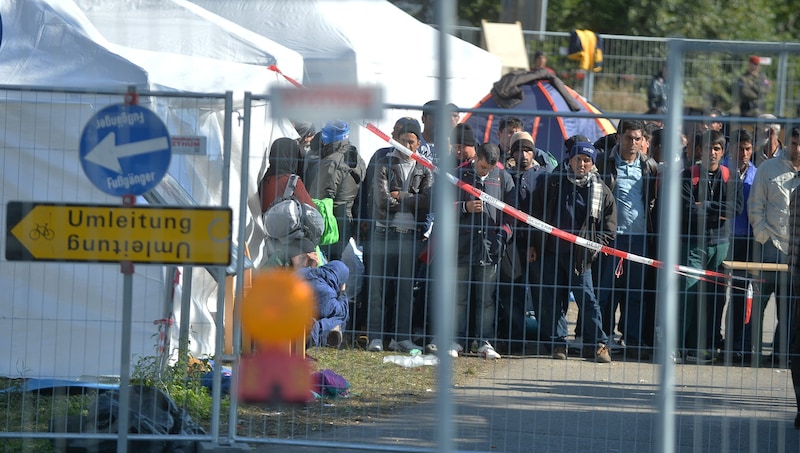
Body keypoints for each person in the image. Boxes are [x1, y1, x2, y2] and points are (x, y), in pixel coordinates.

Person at [529, 141, 616, 363]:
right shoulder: (553, 183)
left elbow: (609, 227)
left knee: (587, 300)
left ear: (593, 164)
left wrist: (595, 246)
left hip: (580, 257)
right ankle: (558, 343)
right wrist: (533, 244)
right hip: (549, 252)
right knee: (552, 300)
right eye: (578, 159)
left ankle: (598, 343)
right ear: (570, 160)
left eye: (587, 160)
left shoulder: (601, 190)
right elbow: (535, 213)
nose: (582, 164)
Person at [365, 120, 433, 353]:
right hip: (384, 233)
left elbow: (428, 200)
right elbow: (382, 200)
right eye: (403, 140)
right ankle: (375, 336)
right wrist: (411, 200)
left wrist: (401, 195)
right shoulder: (384, 163)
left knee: (406, 289)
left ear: (418, 144)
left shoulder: (425, 167)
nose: (406, 145)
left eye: (411, 141)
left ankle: (401, 337)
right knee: (379, 286)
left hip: (411, 236)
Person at [594, 120, 660, 360]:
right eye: (628, 138)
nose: (633, 144)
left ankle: (632, 341)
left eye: (637, 139)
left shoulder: (649, 166)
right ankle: (603, 340)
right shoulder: (603, 163)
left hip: (639, 238)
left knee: (636, 292)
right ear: (618, 137)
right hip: (611, 237)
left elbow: (651, 201)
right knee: (606, 291)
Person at [678, 129, 743, 363]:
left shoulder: (730, 176)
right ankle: (680, 345)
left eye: (717, 149)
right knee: (689, 292)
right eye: (708, 148)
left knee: (715, 296)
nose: (712, 153)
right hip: (694, 244)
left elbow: (735, 208)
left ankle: (706, 346)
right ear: (699, 150)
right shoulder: (688, 175)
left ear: (722, 152)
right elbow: (685, 210)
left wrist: (703, 205)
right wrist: (717, 210)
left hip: (721, 245)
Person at [450, 143, 515, 359]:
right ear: (476, 157)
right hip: (461, 248)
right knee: (459, 298)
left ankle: (485, 342)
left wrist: (502, 238)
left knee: (486, 300)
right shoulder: (459, 174)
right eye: (482, 166)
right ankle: (457, 340)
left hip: (490, 251)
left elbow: (511, 216)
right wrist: (464, 207)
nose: (484, 171)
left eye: (489, 168)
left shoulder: (503, 178)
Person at [747, 127, 800, 365]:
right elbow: (755, 204)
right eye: (793, 143)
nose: (797, 149)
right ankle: (753, 354)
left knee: (789, 309)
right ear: (784, 142)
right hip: (770, 246)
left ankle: (783, 356)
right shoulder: (768, 169)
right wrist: (762, 236)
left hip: (796, 251)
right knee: (758, 305)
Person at [304, 120, 367, 261]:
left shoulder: (330, 162)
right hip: (348, 219)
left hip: (329, 221)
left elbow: (319, 197)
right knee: (335, 261)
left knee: (322, 262)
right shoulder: (357, 157)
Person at [259, 138, 323, 269]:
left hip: (270, 239)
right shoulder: (292, 181)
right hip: (293, 244)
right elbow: (311, 210)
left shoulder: (264, 180)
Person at [723, 129, 758, 364]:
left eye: (747, 149)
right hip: (721, 238)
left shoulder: (758, 173)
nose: (743, 153)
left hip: (746, 240)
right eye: (739, 148)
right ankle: (710, 340)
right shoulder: (721, 170)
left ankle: (737, 343)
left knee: (740, 292)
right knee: (714, 292)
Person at [298, 260, 350, 348]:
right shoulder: (327, 293)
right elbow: (341, 311)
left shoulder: (303, 271)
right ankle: (325, 330)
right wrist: (343, 293)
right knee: (339, 317)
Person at [419, 100, 459, 165]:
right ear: (423, 119)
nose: (439, 121)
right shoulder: (413, 141)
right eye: (434, 117)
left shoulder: (451, 143)